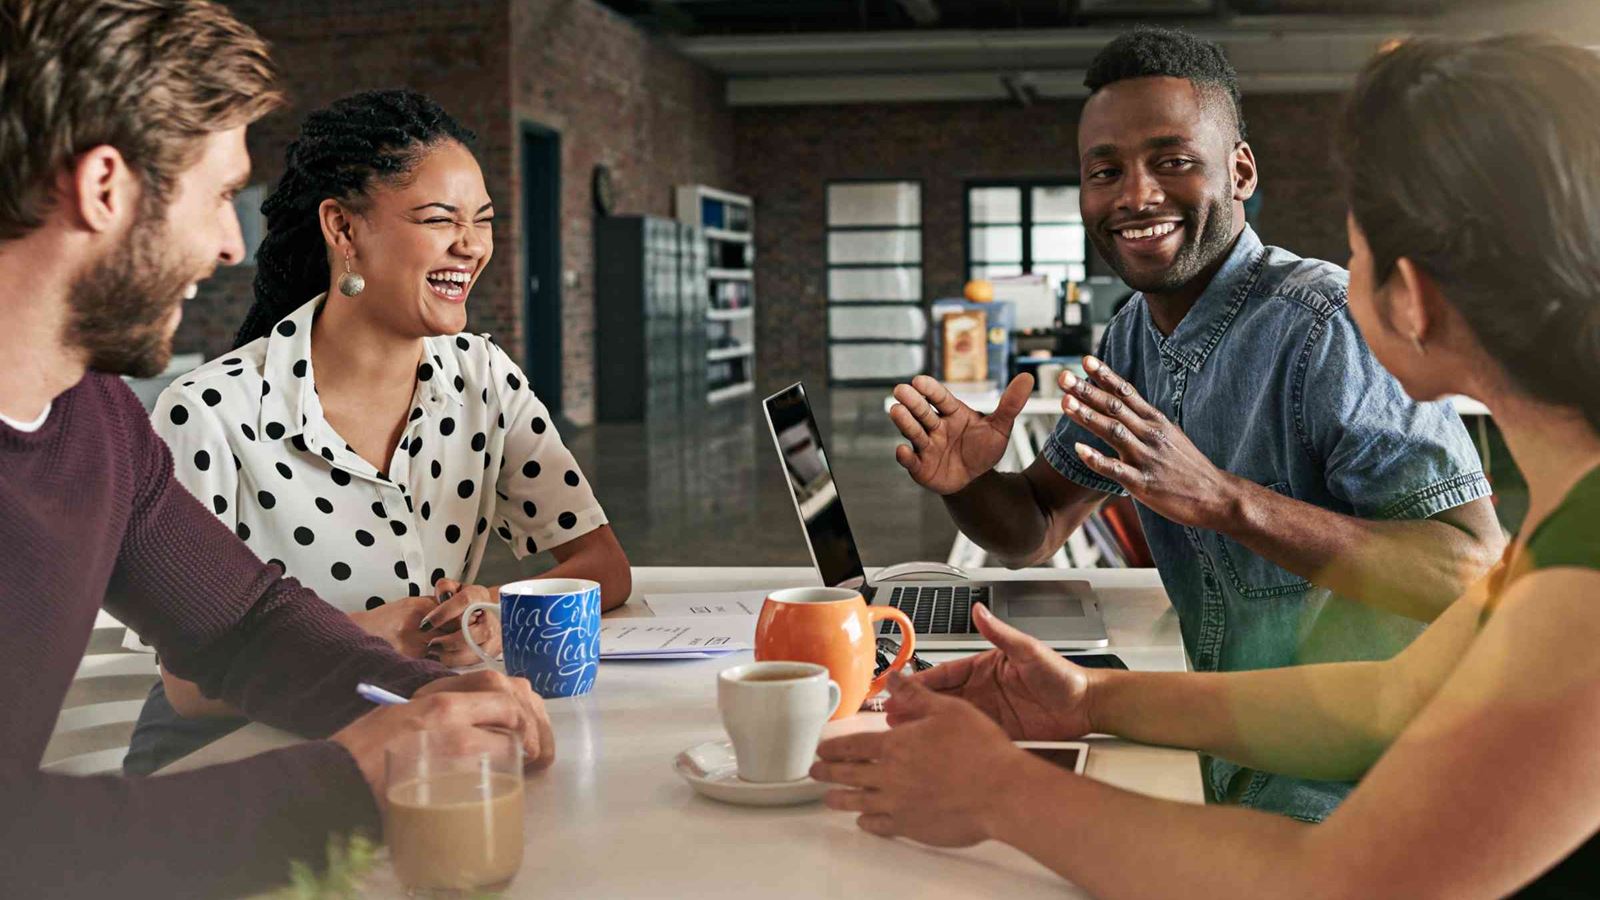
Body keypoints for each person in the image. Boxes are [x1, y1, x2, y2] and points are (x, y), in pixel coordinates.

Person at [816, 33, 1600, 897]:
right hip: (1260, 774)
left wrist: (1001, 790)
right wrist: (1084, 701)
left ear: (1409, 296)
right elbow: (1390, 695)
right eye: (1105, 169)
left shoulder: (1575, 582)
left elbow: (1341, 880)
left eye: (1358, 239)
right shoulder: (1571, 532)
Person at [0, 2, 552, 896]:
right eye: (219, 196)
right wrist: (354, 780)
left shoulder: (96, 418)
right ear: (105, 187)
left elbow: (243, 624)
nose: (229, 246)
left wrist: (424, 697)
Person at [121, 89, 631, 775]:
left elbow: (604, 567)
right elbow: (188, 686)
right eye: (437, 219)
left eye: (481, 220)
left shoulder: (485, 377)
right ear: (343, 229)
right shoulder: (209, 412)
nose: (472, 245)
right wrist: (373, 636)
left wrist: (495, 609)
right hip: (227, 768)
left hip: (411, 737)